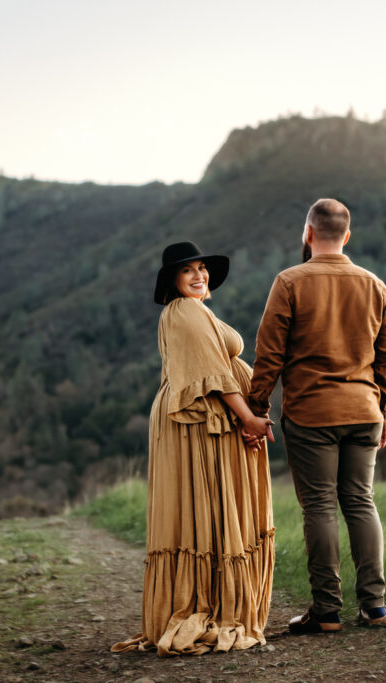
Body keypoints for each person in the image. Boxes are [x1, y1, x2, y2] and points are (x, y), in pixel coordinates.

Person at [112, 241, 276, 656]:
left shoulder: (198, 310)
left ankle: (212, 599)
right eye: (188, 271)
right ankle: (206, 604)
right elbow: (215, 376)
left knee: (210, 509)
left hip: (206, 420)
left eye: (202, 269)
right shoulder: (184, 310)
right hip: (198, 423)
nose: (199, 275)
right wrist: (248, 418)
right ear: (173, 280)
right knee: (206, 507)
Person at [244, 198, 386, 634]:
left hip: (312, 413)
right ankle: (375, 606)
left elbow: (269, 355)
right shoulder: (374, 285)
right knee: (361, 502)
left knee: (319, 507)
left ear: (308, 233)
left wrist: (256, 410)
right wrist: (385, 411)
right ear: (347, 236)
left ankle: (326, 611)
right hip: (364, 411)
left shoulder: (289, 281)